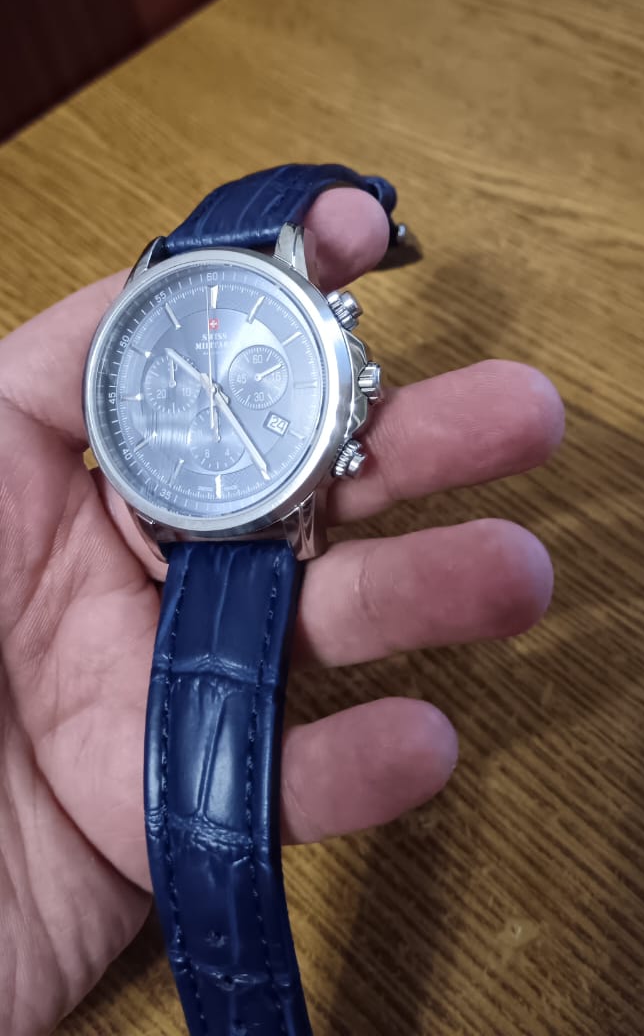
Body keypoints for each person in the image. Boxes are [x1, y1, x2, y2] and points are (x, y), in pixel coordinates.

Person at [0, 189, 564, 1034]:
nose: (213, 388)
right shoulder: (149, 340)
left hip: (262, 502)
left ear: (350, 390)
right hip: (182, 509)